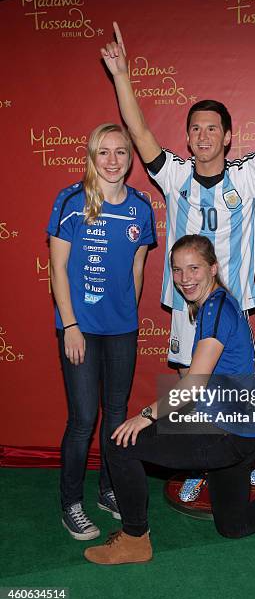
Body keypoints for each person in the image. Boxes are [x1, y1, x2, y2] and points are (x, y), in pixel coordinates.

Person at [100, 23, 255, 501]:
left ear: (226, 138)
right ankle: (204, 463)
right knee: (190, 385)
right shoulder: (174, 173)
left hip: (230, 304)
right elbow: (138, 133)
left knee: (232, 389)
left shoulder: (245, 177)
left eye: (212, 129)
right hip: (185, 303)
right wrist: (121, 74)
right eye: (195, 128)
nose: (203, 136)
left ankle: (241, 460)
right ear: (187, 137)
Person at [84, 234, 255, 565]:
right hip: (240, 435)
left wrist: (146, 415)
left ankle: (135, 539)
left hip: (226, 434)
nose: (185, 278)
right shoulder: (216, 304)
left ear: (213, 268)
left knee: (120, 444)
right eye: (177, 270)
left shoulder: (217, 308)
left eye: (194, 268)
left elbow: (193, 385)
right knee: (233, 525)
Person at [48, 123, 156, 540]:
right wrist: (71, 325)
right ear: (92, 157)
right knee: (81, 421)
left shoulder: (141, 208)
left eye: (121, 153)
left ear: (131, 159)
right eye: (103, 152)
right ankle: (70, 503)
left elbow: (137, 267)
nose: (112, 161)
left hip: (122, 331)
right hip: (80, 330)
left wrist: (126, 315)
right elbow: (57, 267)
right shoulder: (71, 201)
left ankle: (108, 489)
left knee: (116, 415)